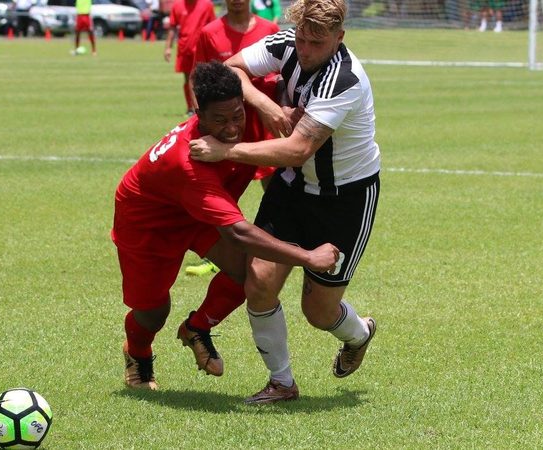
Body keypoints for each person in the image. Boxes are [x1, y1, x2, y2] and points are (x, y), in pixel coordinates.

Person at [190, 0, 381, 404]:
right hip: (293, 188)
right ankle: (282, 383)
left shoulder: (342, 80)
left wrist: (227, 151)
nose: (306, 49)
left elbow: (296, 149)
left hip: (344, 199)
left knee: (319, 313)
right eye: (302, 38)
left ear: (339, 38)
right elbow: (230, 68)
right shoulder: (287, 44)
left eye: (317, 41)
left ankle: (360, 333)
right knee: (258, 281)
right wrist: (269, 106)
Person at [112, 61, 340, 391]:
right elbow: (238, 233)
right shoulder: (189, 164)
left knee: (246, 273)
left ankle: (196, 328)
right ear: (197, 114)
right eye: (219, 120)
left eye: (237, 116)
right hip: (149, 222)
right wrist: (307, 257)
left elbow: (238, 68)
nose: (232, 127)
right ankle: (138, 353)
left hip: (196, 211)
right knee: (153, 312)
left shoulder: (241, 109)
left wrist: (263, 104)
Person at [183, 0, 280, 278]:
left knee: (275, 188)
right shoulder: (209, 32)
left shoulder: (269, 29)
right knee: (219, 190)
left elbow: (277, 76)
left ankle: (277, 247)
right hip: (222, 128)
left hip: (260, 123)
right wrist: (200, 120)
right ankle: (218, 253)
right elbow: (197, 78)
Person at [164, 0, 216, 116]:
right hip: (185, 48)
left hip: (202, 48)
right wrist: (168, 47)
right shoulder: (177, 5)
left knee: (206, 79)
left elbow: (214, 26)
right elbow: (172, 27)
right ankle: (191, 108)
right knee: (188, 80)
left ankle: (206, 107)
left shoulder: (207, 4)